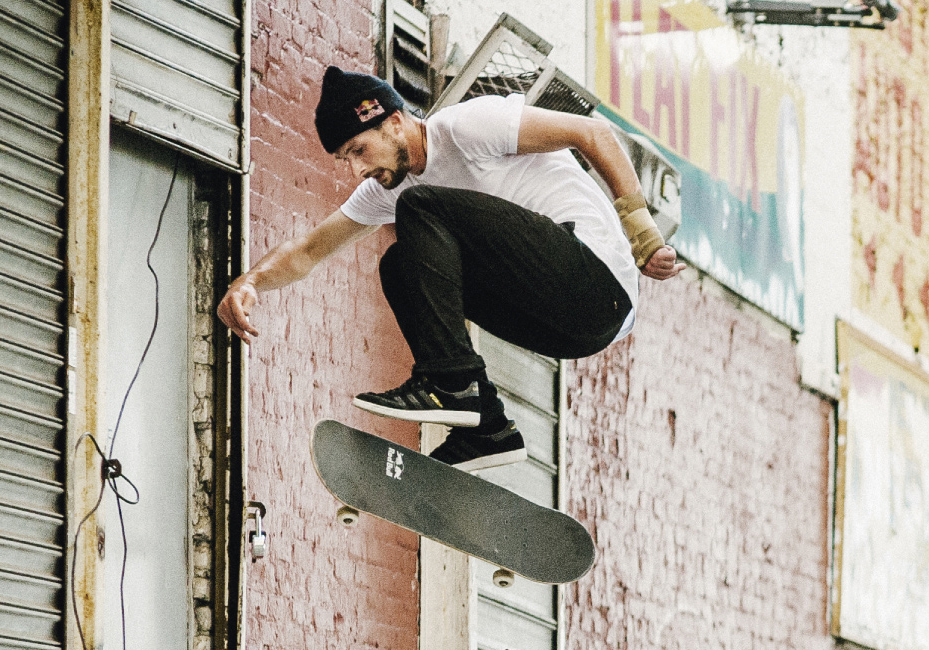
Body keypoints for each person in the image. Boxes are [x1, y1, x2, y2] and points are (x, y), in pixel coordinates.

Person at [216, 67, 686, 473]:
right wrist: (250, 282)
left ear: (395, 123)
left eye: (359, 151)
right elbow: (307, 251)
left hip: (596, 282)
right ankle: (486, 427)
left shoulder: (468, 126)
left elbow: (593, 134)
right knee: (400, 264)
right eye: (345, 160)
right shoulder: (385, 190)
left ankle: (452, 383)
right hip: (565, 330)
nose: (356, 171)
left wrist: (643, 237)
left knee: (418, 207)